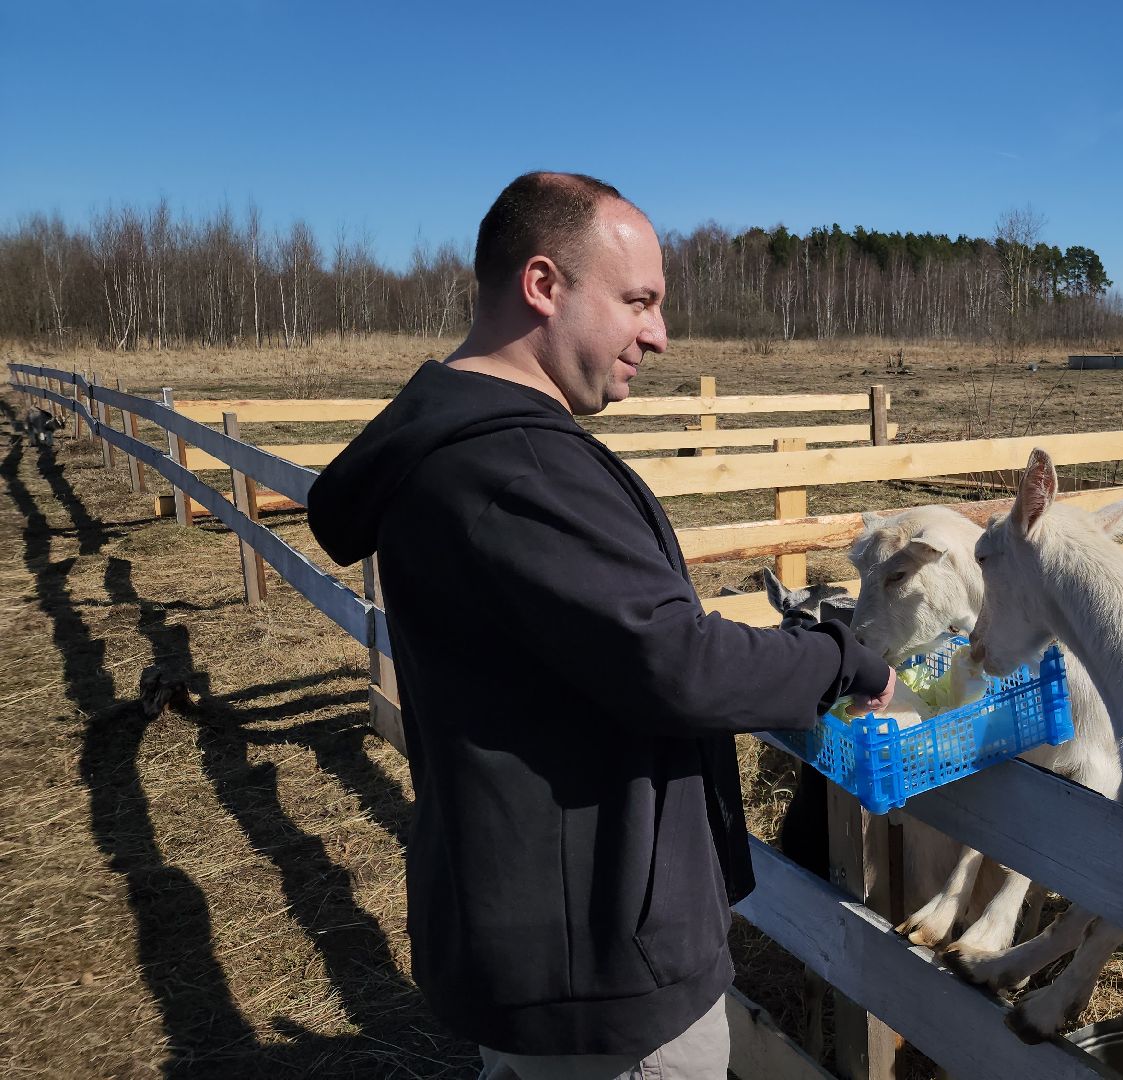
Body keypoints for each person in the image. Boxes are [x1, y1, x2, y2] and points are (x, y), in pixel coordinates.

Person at [307, 172, 894, 1080]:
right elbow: (677, 663)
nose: (659, 335)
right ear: (543, 286)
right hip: (597, 967)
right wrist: (836, 656)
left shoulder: (475, 453)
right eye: (638, 301)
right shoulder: (516, 469)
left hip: (547, 934)